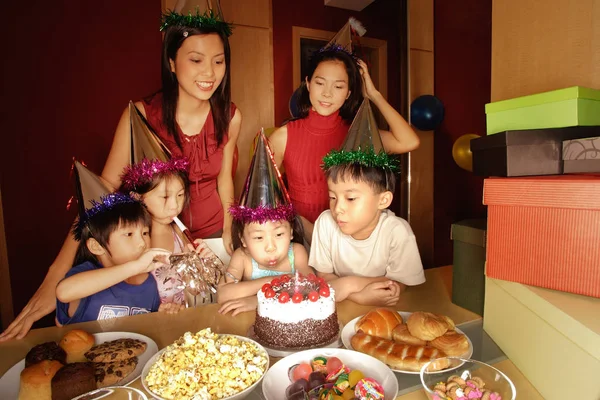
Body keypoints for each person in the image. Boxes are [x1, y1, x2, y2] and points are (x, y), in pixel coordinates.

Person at [0, 8, 239, 340]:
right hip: (155, 242)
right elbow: (104, 192)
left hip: (211, 239)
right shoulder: (140, 115)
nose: (210, 73)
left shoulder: (231, 115)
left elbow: (224, 177)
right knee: (170, 332)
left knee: (223, 325)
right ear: (171, 63)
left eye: (219, 60)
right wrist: (56, 272)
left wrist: (229, 227)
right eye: (196, 60)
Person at [269, 50, 420, 244]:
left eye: (338, 86)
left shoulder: (358, 135)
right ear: (307, 84)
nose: (327, 93)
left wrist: (374, 94)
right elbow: (265, 193)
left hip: (348, 239)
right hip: (299, 238)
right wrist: (297, 226)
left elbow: (409, 142)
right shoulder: (284, 135)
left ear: (349, 93)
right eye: (320, 83)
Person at [309, 99, 425, 306]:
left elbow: (399, 284)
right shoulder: (325, 223)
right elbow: (324, 277)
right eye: (333, 197)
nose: (338, 208)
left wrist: (348, 284)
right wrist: (358, 294)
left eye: (351, 198)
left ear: (384, 200)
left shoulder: (397, 231)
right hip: (340, 312)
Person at [217, 131, 313, 316]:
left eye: (279, 234)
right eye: (259, 237)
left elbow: (308, 285)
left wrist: (256, 299)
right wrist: (276, 281)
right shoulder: (242, 257)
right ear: (243, 239)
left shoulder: (297, 252)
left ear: (291, 231)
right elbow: (224, 294)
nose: (271, 247)